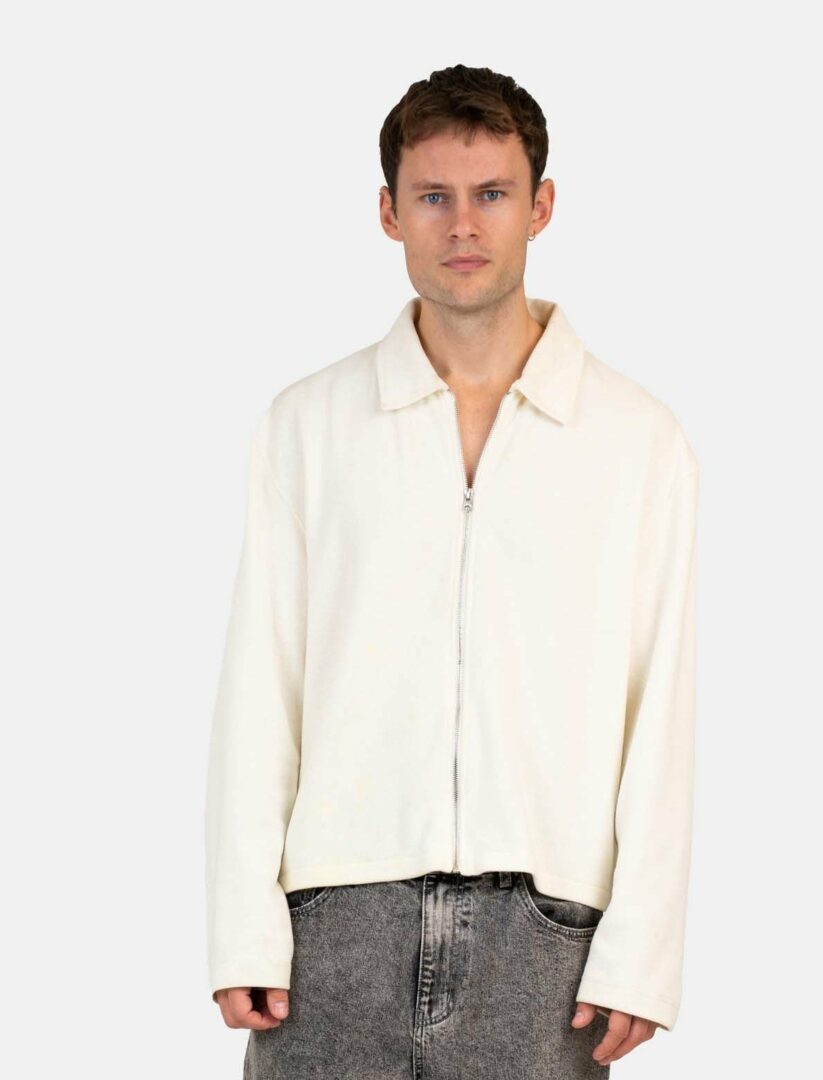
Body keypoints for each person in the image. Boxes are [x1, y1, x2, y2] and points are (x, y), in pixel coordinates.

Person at [205, 63, 699, 1078]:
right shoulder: (310, 426)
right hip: (332, 927)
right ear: (389, 213)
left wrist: (644, 949)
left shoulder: (635, 440)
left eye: (492, 194)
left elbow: (663, 706)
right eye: (433, 196)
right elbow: (261, 685)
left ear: (540, 207)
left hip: (547, 940)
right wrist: (241, 926)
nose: (463, 225)